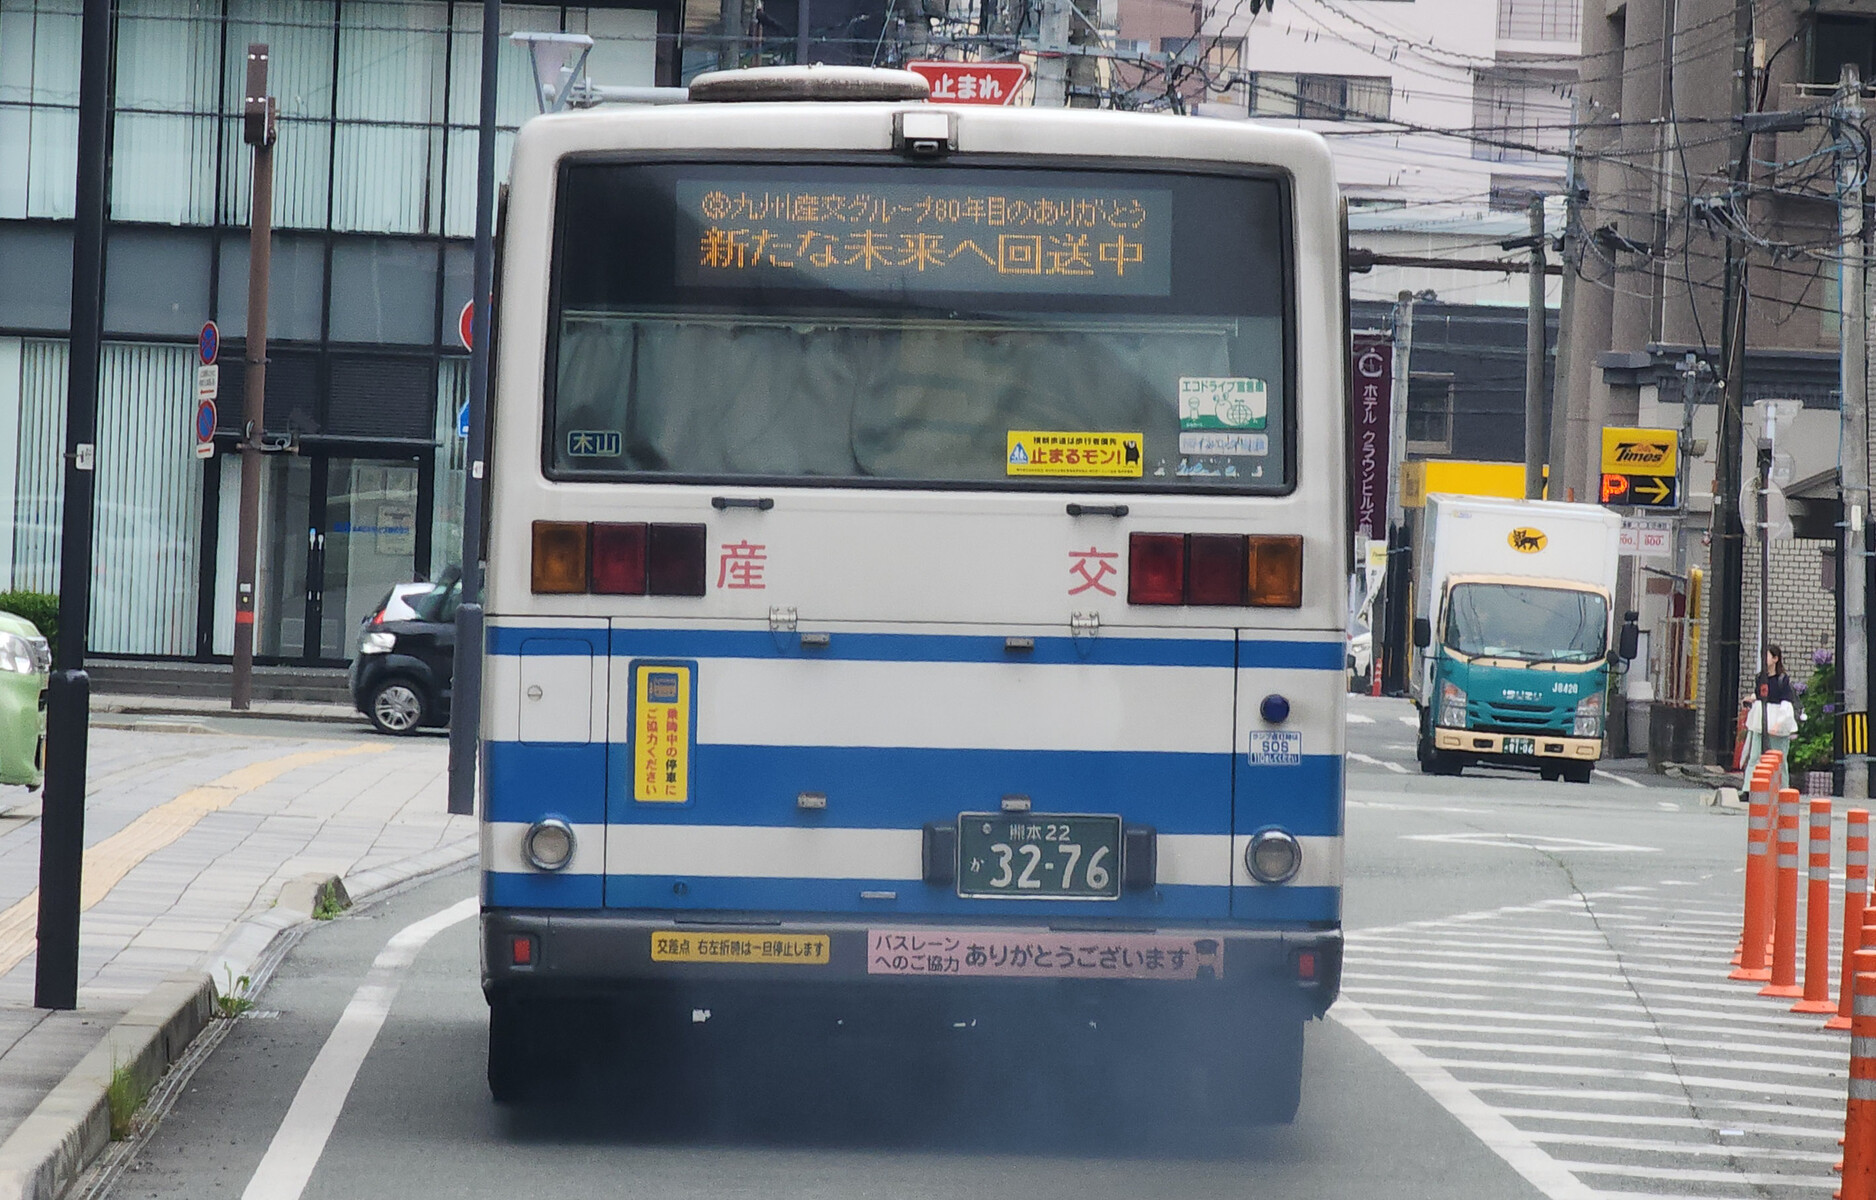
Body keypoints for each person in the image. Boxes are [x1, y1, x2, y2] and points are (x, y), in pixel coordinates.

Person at [1744, 644, 1796, 790]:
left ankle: (1783, 789)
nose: (1764, 659)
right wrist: (1752, 698)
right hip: (1759, 721)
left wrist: (1779, 723)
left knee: (1779, 759)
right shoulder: (1760, 678)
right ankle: (1748, 788)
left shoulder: (1782, 680)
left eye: (1766, 655)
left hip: (1776, 721)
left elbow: (1786, 703)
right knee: (1754, 757)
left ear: (1775, 659)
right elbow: (1759, 695)